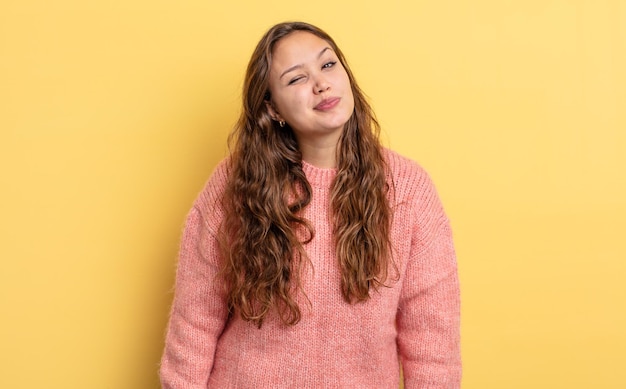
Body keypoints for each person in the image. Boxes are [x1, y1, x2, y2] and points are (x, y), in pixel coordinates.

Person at [159, 21, 461, 388]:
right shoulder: (234, 185)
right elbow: (194, 324)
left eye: (328, 65)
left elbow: (433, 345)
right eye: (295, 79)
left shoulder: (409, 190)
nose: (321, 84)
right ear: (273, 110)